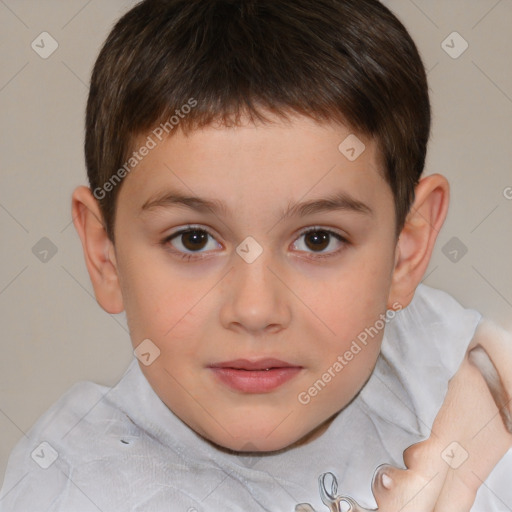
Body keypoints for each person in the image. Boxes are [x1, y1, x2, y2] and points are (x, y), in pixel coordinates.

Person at [1, 0, 511, 510]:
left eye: (317, 240)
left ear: (406, 249)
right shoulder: (71, 491)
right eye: (194, 239)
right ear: (104, 253)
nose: (255, 310)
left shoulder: (432, 356)